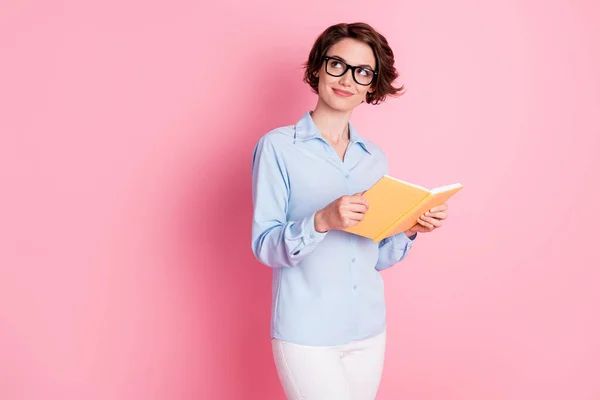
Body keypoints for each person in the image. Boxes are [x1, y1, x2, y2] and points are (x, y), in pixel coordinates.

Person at [251, 22, 450, 400]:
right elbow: (265, 246)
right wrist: (321, 220)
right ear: (317, 69)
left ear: (372, 85)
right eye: (336, 64)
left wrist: (410, 229)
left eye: (362, 71)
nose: (347, 79)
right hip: (306, 332)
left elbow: (372, 256)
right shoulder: (277, 148)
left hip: (368, 329)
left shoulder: (373, 158)